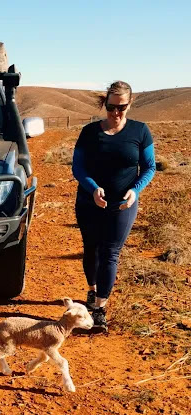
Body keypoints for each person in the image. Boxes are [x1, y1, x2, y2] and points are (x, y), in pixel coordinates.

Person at [72, 81, 156, 332]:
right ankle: (92, 290)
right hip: (89, 201)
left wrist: (135, 190)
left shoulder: (140, 131)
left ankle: (99, 309)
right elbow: (78, 167)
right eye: (111, 107)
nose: (116, 113)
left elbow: (149, 167)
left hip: (122, 204)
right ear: (104, 104)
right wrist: (93, 188)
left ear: (130, 104)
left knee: (110, 252)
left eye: (121, 107)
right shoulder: (89, 132)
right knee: (92, 249)